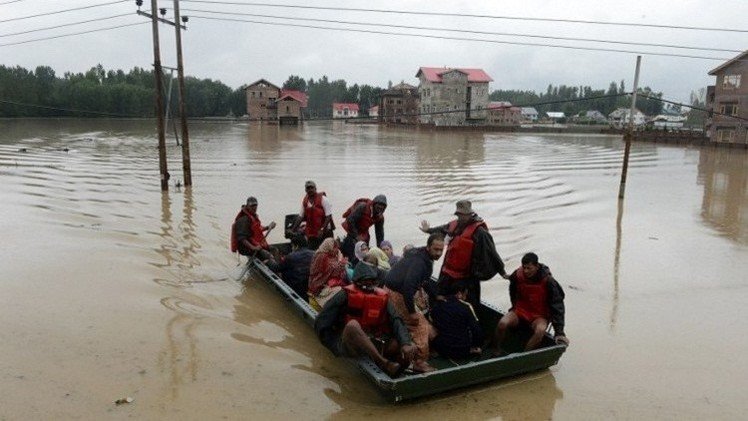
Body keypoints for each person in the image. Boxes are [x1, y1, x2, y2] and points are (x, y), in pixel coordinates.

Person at [314, 262, 417, 378]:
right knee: (352, 325)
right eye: (365, 282)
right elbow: (322, 322)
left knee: (408, 345)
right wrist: (334, 346)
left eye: (372, 282)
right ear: (357, 282)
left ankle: (402, 368)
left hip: (375, 340)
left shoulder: (382, 297)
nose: (369, 285)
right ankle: (384, 363)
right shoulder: (344, 295)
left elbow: (396, 320)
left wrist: (405, 343)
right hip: (351, 343)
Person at [420, 200, 507, 310]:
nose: (461, 217)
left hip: (466, 278)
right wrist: (428, 230)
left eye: (464, 215)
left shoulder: (479, 232)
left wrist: (502, 272)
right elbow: (441, 230)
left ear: (470, 214)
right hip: (447, 273)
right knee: (439, 300)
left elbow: (492, 252)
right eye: (459, 215)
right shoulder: (453, 225)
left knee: (469, 308)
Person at [384, 233, 445, 373]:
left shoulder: (423, 255)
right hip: (397, 293)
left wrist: (436, 296)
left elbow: (424, 281)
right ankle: (419, 361)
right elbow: (408, 287)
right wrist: (412, 312)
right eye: (436, 249)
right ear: (428, 247)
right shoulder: (420, 263)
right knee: (420, 326)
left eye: (441, 250)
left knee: (422, 324)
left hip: (397, 290)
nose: (439, 253)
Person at [490, 252, 569, 355]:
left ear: (536, 266)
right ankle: (496, 350)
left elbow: (557, 306)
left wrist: (559, 332)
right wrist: (514, 307)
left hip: (539, 315)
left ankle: (524, 356)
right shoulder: (517, 275)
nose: (526, 271)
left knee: (540, 331)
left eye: (529, 268)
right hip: (520, 311)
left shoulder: (549, 281)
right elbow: (512, 291)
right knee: (502, 323)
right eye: (524, 268)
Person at [430, 283, 484, 359]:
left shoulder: (438, 304)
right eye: (465, 295)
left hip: (441, 348)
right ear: (459, 294)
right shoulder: (466, 306)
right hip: (461, 350)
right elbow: (476, 330)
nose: (465, 298)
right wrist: (477, 345)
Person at [266, 234, 314, 299]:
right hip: (307, 286)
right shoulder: (314, 254)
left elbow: (275, 268)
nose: (292, 248)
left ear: (296, 246)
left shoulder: (291, 256)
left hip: (294, 286)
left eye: (292, 246)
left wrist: (270, 260)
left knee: (281, 270)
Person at [288, 180, 333, 250]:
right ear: (305, 190)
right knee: (312, 250)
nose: (310, 190)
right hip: (312, 231)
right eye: (308, 188)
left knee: (325, 250)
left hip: (325, 231)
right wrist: (293, 230)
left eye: (312, 188)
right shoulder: (305, 201)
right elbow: (300, 216)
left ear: (315, 189)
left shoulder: (323, 199)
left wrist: (322, 229)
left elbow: (328, 216)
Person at [340, 195, 387, 261]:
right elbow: (350, 220)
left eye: (383, 206)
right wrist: (356, 236)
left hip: (364, 232)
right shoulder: (363, 206)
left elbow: (379, 234)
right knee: (351, 252)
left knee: (365, 254)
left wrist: (380, 250)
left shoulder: (380, 217)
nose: (380, 207)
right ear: (374, 203)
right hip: (353, 230)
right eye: (379, 204)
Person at [308, 238, 349, 310]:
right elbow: (329, 272)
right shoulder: (322, 256)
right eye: (335, 247)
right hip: (318, 284)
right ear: (329, 247)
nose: (337, 250)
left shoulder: (330, 255)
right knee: (340, 292)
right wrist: (341, 264)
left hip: (325, 282)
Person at [231, 196, 276, 261]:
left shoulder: (253, 216)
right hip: (246, 248)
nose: (254, 207)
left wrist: (268, 227)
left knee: (274, 249)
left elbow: (257, 229)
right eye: (252, 206)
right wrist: (254, 248)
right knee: (268, 255)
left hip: (253, 243)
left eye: (255, 205)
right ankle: (276, 268)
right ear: (247, 206)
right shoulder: (244, 220)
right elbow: (242, 239)